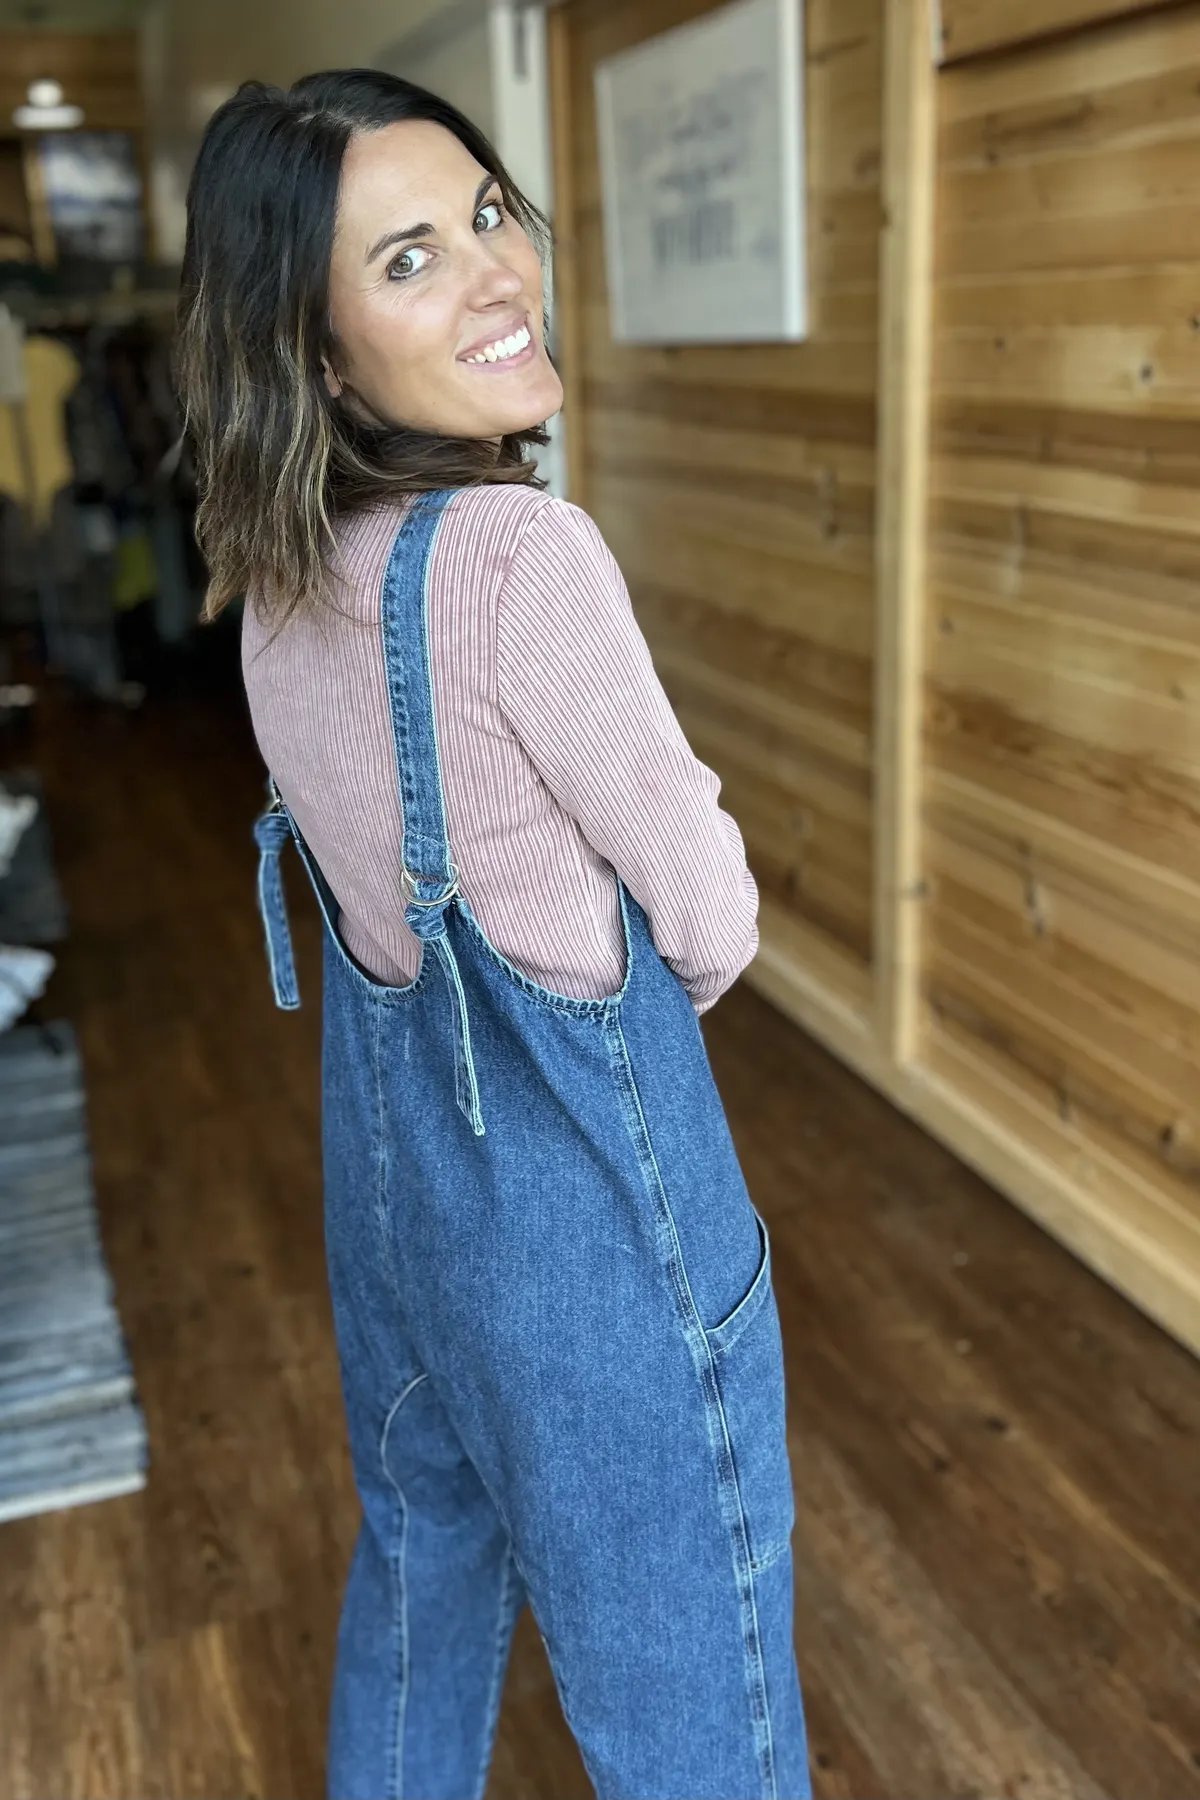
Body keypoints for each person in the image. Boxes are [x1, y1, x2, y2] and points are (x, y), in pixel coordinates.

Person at [176, 67, 813, 1800]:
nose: (492, 272)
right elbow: (708, 915)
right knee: (694, 1695)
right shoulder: (522, 557)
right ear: (317, 354)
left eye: (482, 215)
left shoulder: (276, 579)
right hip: (591, 1237)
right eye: (407, 261)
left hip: (398, 1220)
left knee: (420, 1584)